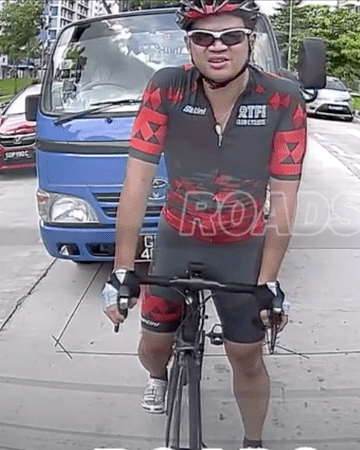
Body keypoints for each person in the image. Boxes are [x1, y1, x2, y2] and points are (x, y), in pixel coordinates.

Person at [100, 1, 307, 448]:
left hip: (242, 246)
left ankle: (253, 442)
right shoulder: (167, 88)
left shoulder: (281, 98)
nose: (217, 47)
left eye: (231, 36)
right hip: (178, 237)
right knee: (154, 345)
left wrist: (269, 279)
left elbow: (285, 195)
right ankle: (158, 376)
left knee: (247, 358)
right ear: (188, 44)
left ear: (251, 41)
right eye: (203, 38)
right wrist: (121, 270)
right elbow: (136, 181)